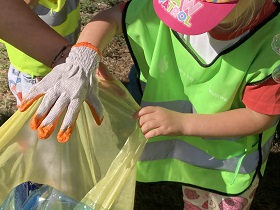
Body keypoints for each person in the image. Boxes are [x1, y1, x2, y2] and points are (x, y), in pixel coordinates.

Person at [19, 0, 280, 209]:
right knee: (196, 200)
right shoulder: (180, 6)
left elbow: (260, 116)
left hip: (228, 165)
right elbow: (112, 17)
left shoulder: (271, 45)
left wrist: (182, 123)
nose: (187, 13)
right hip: (195, 162)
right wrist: (84, 53)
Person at [1, 0, 81, 208]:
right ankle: (34, 197)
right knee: (44, 150)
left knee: (51, 144)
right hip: (37, 74)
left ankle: (45, 190)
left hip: (62, 64)